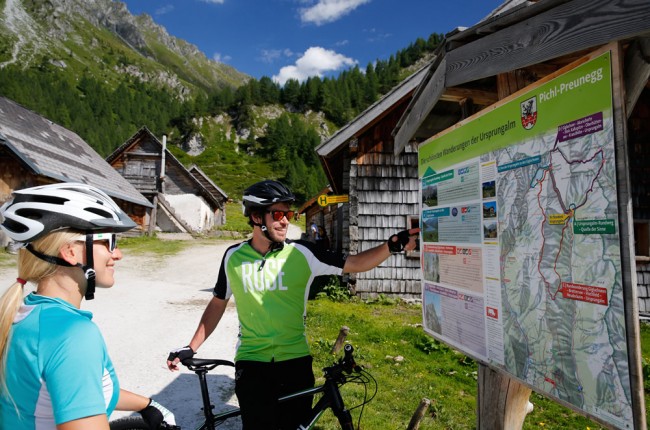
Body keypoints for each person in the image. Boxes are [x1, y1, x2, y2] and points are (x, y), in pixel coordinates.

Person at [167, 179, 418, 429]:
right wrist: (192, 346)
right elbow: (218, 302)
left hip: (295, 363)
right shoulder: (233, 257)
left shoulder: (303, 254)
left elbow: (356, 263)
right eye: (278, 214)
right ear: (256, 217)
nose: (286, 221)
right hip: (252, 364)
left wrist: (391, 246)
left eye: (288, 214)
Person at [0, 183, 175, 429]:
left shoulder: (24, 313)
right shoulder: (72, 334)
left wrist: (145, 404)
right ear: (71, 252)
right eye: (109, 241)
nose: (118, 254)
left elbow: (73, 388)